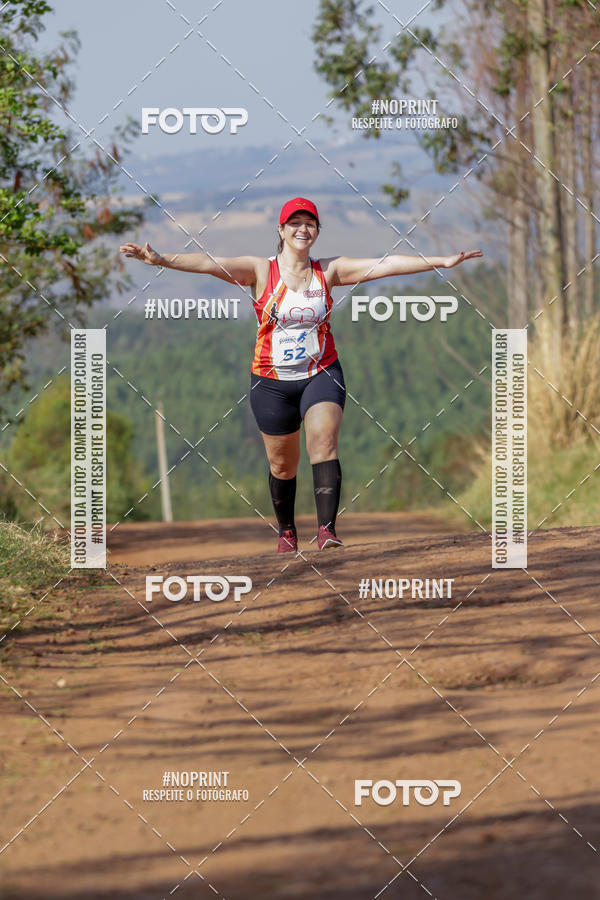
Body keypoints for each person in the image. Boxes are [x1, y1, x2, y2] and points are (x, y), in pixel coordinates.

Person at [120, 197, 482, 553]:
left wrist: (442, 261)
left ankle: (327, 530)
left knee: (323, 441)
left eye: (309, 223)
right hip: (270, 383)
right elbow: (210, 263)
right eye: (294, 223)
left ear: (317, 231)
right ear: (281, 230)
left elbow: (385, 264)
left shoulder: (330, 271)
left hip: (321, 371)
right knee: (282, 464)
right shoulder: (261, 270)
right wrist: (162, 260)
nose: (302, 228)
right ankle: (287, 530)